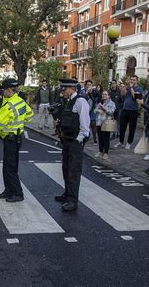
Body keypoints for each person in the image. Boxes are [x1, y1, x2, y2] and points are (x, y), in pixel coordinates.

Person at [0, 78, 33, 202]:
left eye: (4, 90)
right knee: (9, 166)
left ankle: (17, 193)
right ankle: (8, 191)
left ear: (9, 90)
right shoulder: (20, 101)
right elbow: (29, 115)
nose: (3, 92)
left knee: (10, 168)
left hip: (10, 139)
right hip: (17, 137)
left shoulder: (8, 106)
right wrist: (19, 123)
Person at [54, 79, 90, 211]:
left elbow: (85, 123)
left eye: (64, 89)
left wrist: (79, 139)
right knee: (66, 168)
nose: (62, 91)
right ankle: (67, 194)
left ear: (71, 88)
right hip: (67, 139)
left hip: (75, 140)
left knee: (73, 170)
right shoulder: (68, 101)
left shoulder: (80, 101)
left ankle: (73, 200)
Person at [115, 75, 142, 150]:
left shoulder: (139, 88)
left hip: (133, 110)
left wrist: (131, 88)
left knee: (132, 128)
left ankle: (129, 143)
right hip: (125, 109)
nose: (132, 81)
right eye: (131, 80)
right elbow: (122, 94)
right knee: (122, 127)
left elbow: (135, 98)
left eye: (134, 80)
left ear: (137, 81)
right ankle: (120, 141)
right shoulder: (127, 87)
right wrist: (124, 88)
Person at [94, 90, 116, 160]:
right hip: (99, 122)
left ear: (109, 96)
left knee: (106, 138)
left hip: (106, 123)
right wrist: (98, 110)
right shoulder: (101, 102)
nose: (103, 95)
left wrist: (104, 108)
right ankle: (100, 151)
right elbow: (94, 110)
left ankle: (106, 153)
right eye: (103, 94)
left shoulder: (112, 103)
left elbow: (111, 111)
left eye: (105, 94)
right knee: (100, 138)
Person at [81, 80, 100, 145]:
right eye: (88, 84)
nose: (89, 86)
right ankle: (86, 137)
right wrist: (86, 93)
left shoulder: (94, 92)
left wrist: (90, 93)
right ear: (85, 85)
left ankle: (95, 139)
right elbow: (82, 100)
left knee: (93, 124)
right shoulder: (83, 92)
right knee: (85, 124)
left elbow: (95, 101)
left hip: (92, 110)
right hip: (85, 111)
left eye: (90, 85)